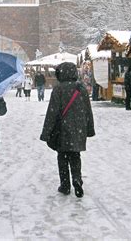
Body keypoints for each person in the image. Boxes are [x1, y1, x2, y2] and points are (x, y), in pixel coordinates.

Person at [40, 62, 95, 198]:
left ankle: (65, 185)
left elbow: (52, 113)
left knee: (62, 157)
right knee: (75, 156)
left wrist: (46, 132)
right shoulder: (81, 88)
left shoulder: (58, 89)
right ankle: (77, 179)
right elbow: (88, 110)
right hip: (78, 129)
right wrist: (90, 129)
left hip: (62, 129)